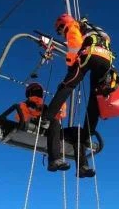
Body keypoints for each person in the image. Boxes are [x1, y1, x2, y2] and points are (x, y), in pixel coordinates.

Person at [43, 13, 114, 178]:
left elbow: (74, 44)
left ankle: (47, 116)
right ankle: (88, 134)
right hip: (106, 60)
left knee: (67, 85)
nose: (61, 33)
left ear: (63, 24)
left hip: (90, 55)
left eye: (60, 29)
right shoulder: (96, 30)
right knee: (94, 98)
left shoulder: (72, 27)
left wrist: (71, 63)